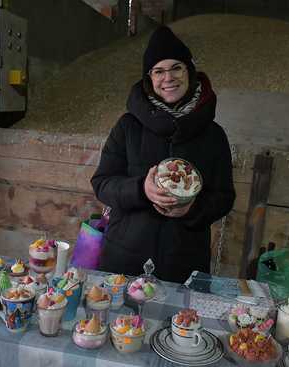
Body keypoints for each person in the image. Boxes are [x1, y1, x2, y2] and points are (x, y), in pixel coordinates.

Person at [91, 26, 235, 283]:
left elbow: (224, 197)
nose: (168, 77)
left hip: (183, 262)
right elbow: (102, 183)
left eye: (176, 68)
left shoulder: (213, 135)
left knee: (178, 323)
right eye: (159, 71)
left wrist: (193, 208)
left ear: (189, 71)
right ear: (150, 78)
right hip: (124, 259)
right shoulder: (128, 126)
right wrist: (141, 190)